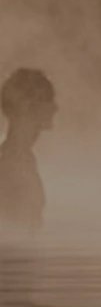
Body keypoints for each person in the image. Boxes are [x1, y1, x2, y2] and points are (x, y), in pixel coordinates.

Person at [0, 68, 56, 232]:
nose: (55, 107)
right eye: (49, 99)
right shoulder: (11, 162)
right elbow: (13, 229)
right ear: (27, 106)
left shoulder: (22, 156)